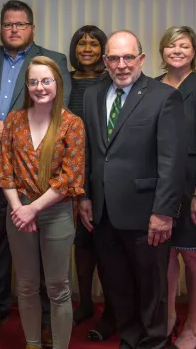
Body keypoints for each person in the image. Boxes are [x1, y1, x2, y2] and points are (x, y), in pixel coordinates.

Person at [0, 0, 71, 345]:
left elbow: (59, 112)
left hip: (38, 174)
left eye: (20, 24)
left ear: (32, 28)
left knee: (42, 248)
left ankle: (45, 318)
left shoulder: (53, 60)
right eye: (8, 24)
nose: (13, 29)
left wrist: (14, 132)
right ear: (1, 28)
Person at [79, 30, 185, 349]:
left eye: (128, 57)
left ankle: (154, 342)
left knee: (151, 288)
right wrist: (85, 196)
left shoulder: (163, 96)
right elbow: (89, 151)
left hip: (146, 212)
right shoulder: (93, 95)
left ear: (141, 59)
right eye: (114, 58)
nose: (121, 65)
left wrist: (163, 212)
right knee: (117, 285)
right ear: (105, 61)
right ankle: (129, 338)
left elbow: (172, 161)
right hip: (103, 211)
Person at [0, 56, 85, 349]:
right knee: (26, 286)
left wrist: (33, 209)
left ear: (57, 83)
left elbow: (70, 178)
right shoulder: (15, 120)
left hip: (56, 213)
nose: (40, 87)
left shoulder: (72, 124)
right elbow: (5, 170)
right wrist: (19, 208)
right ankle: (32, 344)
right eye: (33, 82)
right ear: (27, 86)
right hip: (18, 211)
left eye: (46, 81)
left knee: (58, 287)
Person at [155, 26, 196, 349]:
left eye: (184, 46)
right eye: (171, 46)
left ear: (194, 51)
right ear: (162, 51)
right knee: (166, 258)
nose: (177, 51)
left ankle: (195, 325)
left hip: (195, 186)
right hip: (161, 186)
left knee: (195, 258)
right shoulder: (153, 86)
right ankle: (169, 318)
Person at [66, 25, 116, 342]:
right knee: (81, 244)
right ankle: (84, 303)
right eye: (81, 44)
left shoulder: (112, 80)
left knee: (107, 245)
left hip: (104, 170)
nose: (87, 49)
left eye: (94, 44)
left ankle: (112, 310)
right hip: (70, 170)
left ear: (103, 50)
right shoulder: (66, 79)